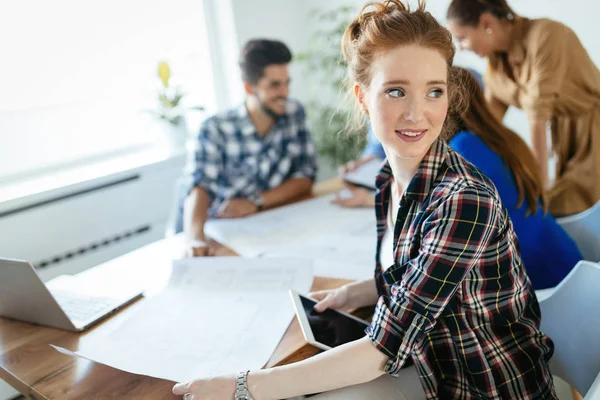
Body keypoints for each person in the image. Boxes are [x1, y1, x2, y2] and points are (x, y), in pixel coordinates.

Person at [172, 1, 557, 399]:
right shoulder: (389, 179)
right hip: (434, 367)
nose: (417, 113)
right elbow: (419, 272)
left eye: (434, 91)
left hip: (488, 387)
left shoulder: (464, 200)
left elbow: (383, 348)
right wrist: (359, 291)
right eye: (395, 91)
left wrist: (242, 387)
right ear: (362, 97)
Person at [336, 67, 583, 290]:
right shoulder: (496, 138)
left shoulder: (462, 150)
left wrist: (370, 198)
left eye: (432, 94)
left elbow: (430, 214)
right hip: (566, 264)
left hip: (546, 286)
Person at [446, 0, 600, 217]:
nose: (461, 47)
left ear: (486, 22)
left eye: (462, 38)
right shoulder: (495, 68)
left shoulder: (547, 36)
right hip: (561, 139)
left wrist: (538, 191)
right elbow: (487, 124)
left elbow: (537, 118)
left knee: (564, 209)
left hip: (593, 131)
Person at [175, 39, 318, 257]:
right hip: (222, 232)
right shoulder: (215, 129)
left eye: (287, 83)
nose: (285, 92)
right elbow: (199, 188)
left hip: (272, 226)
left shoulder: (294, 113)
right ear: (249, 87)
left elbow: (305, 176)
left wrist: (256, 202)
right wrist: (195, 238)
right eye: (274, 85)